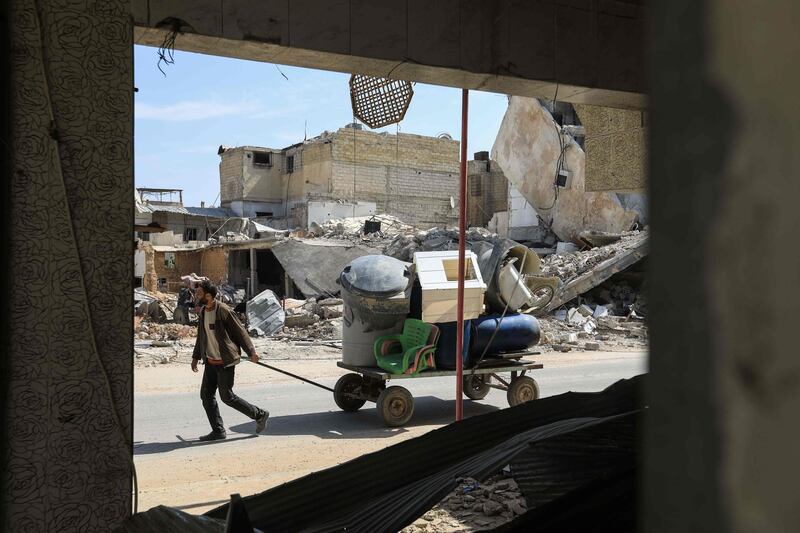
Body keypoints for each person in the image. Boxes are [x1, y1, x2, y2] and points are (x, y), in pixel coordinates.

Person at [191, 280, 269, 441]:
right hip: (211, 362)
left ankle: (260, 414)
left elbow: (240, 332)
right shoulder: (204, 311)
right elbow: (201, 336)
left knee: (227, 397)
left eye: (199, 294)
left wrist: (251, 352)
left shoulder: (224, 311)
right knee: (206, 396)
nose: (196, 297)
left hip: (225, 361)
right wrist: (195, 356)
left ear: (208, 295)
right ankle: (218, 431)